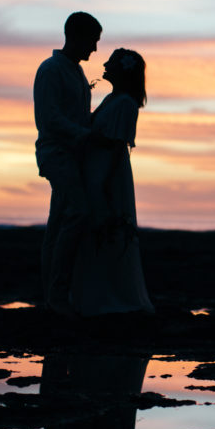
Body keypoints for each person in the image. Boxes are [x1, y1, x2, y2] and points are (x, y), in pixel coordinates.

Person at [70, 48, 155, 316]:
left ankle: (113, 298)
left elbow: (115, 145)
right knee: (95, 232)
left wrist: (102, 183)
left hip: (108, 171)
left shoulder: (126, 104)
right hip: (96, 168)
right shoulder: (112, 99)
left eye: (112, 62)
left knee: (108, 227)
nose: (105, 64)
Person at [34, 11, 102, 315]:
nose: (95, 49)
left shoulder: (75, 72)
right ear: (76, 36)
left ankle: (55, 295)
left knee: (59, 222)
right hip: (57, 155)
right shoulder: (51, 70)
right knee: (77, 214)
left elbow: (77, 116)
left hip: (73, 157)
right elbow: (48, 118)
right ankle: (57, 295)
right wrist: (86, 135)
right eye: (93, 41)